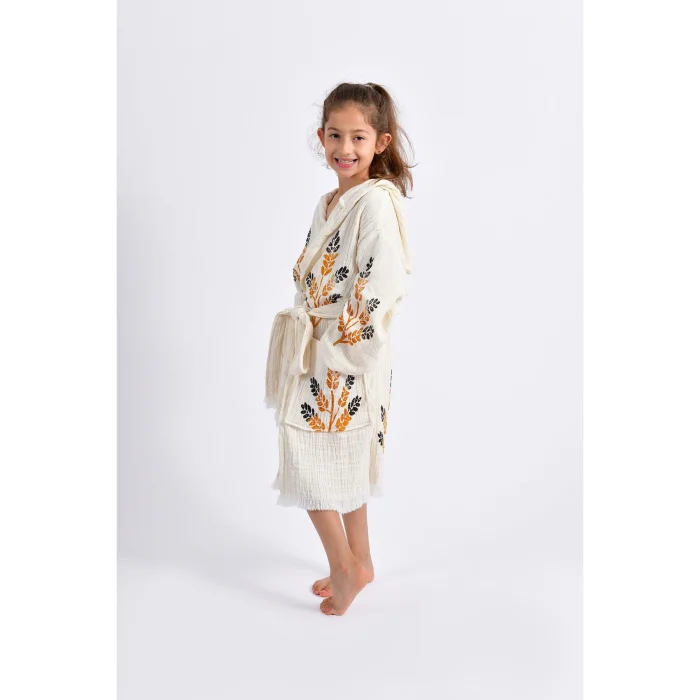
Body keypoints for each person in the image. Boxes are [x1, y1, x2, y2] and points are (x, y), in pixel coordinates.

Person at [264, 82, 415, 615]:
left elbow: (381, 284)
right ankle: (362, 560)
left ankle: (344, 567)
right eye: (334, 135)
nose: (344, 148)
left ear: (380, 142)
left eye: (358, 137)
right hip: (315, 344)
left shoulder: (376, 205)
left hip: (344, 351)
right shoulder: (328, 202)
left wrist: (335, 346)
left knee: (308, 458)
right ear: (320, 136)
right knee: (339, 459)